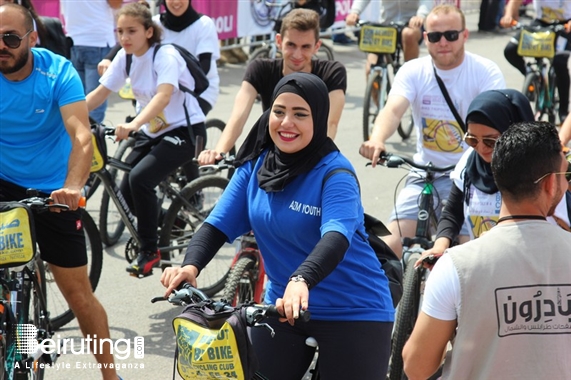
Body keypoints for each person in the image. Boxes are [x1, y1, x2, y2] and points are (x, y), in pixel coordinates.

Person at [162, 72, 394, 380]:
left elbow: (336, 237)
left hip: (353, 309)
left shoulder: (335, 173)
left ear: (319, 119)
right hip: (282, 309)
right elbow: (216, 225)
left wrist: (302, 278)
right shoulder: (254, 166)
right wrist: (191, 267)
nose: (286, 123)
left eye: (300, 114)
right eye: (279, 111)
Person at [0, 4, 121, 379]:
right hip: (4, 182)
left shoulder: (57, 71)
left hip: (53, 189)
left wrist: (72, 187)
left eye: (10, 38)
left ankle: (110, 375)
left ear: (32, 39)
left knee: (78, 296)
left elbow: (82, 136)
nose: (1, 46)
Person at [402, 121, 571, 379]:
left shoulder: (457, 266)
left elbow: (416, 366)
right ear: (549, 184)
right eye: (565, 176)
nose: (567, 185)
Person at [359, 4, 505, 258]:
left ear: (465, 35)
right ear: (425, 37)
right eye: (435, 36)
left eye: (451, 35)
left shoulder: (485, 72)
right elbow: (393, 110)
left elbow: (497, 125)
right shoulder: (413, 70)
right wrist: (377, 139)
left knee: (465, 249)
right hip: (423, 175)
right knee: (386, 248)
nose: (443, 42)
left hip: (468, 175)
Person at [86, 2, 206, 277]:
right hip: (153, 131)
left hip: (184, 131)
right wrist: (64, 115)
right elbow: (99, 93)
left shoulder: (165, 55)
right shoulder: (126, 57)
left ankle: (149, 251)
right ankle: (169, 224)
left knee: (140, 179)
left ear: (149, 32)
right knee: (127, 186)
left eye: (131, 31)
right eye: (119, 32)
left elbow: (163, 96)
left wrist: (134, 124)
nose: (124, 38)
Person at [418, 89, 571, 266]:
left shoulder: (545, 168)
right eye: (472, 140)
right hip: (487, 265)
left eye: (491, 141)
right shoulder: (468, 163)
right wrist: (440, 246)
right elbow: (453, 211)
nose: (481, 148)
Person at [198, 8, 346, 165]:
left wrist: (314, 161)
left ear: (317, 46)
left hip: (311, 155)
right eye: (291, 45)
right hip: (271, 151)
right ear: (279, 41)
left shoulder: (332, 72)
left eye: (305, 47)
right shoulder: (261, 69)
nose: (297, 54)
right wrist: (219, 152)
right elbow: (239, 115)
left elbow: (331, 123)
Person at [98, 0, 220, 116]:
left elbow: (205, 66)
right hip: (158, 88)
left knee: (179, 128)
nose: (176, 2)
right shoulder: (155, 23)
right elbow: (131, 42)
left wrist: (171, 83)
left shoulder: (204, 24)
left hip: (198, 90)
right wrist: (108, 58)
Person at [500, 0, 571, 122]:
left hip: (565, 25)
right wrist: (508, 15)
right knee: (510, 50)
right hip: (540, 23)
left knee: (559, 63)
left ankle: (563, 110)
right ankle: (533, 77)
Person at [61, 0, 122, 123]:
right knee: (95, 102)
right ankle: (90, 140)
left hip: (74, 40)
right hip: (97, 40)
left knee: (76, 99)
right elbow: (116, 3)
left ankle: (77, 138)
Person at [345, 0, 430, 62]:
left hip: (411, 23)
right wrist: (354, 12)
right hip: (386, 24)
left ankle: (410, 75)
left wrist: (420, 15)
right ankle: (374, 81)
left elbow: (426, 2)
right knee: (372, 63)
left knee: (408, 34)